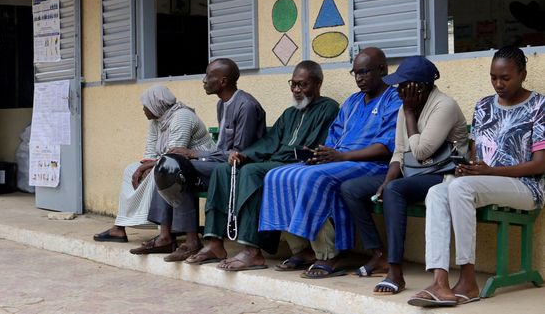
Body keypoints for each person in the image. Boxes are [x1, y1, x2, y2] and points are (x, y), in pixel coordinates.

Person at [409, 47, 545, 307]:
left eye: (505, 78)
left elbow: (540, 164)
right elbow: (476, 153)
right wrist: (468, 167)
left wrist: (487, 172)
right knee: (436, 192)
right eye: (493, 77)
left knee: (461, 189)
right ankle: (440, 281)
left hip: (526, 187)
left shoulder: (539, 106)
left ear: (523, 74)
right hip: (483, 182)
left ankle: (468, 280)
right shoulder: (483, 105)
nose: (498, 84)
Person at [259, 47, 401, 278]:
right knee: (278, 175)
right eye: (355, 73)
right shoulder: (352, 102)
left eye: (365, 72)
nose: (359, 79)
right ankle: (302, 249)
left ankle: (329, 255)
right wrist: (321, 154)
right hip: (340, 161)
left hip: (373, 164)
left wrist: (341, 157)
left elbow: (386, 147)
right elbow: (334, 138)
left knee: (314, 178)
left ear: (383, 69)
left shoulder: (394, 99)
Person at [187, 60, 340, 270]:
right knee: (224, 169)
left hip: (297, 164)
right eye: (293, 84)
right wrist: (244, 155)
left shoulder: (328, 107)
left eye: (302, 85)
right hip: (275, 161)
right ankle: (214, 242)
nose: (296, 90)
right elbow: (270, 141)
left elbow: (312, 147)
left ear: (317, 84)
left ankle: (252, 251)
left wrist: (254, 161)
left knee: (251, 173)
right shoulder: (290, 113)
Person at [340, 56, 468, 294]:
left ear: (419, 86)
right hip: (413, 173)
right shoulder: (404, 105)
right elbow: (399, 152)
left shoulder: (443, 105)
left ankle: (395, 271)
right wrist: (386, 181)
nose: (397, 89)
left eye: (402, 85)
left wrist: (409, 113)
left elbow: (420, 152)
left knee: (395, 190)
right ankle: (378, 254)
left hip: (443, 174)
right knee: (352, 189)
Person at [141, 58, 267, 261]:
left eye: (209, 76)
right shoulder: (221, 104)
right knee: (168, 167)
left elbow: (240, 154)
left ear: (223, 81)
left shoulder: (246, 106)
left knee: (175, 169)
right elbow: (221, 149)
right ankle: (166, 237)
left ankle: (192, 242)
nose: (204, 80)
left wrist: (196, 154)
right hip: (217, 165)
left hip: (237, 169)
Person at [93, 85, 215, 247]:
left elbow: (175, 155)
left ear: (157, 104)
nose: (143, 109)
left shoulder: (182, 116)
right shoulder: (157, 119)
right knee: (130, 170)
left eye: (146, 105)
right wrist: (144, 165)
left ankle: (151, 226)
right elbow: (150, 149)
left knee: (157, 172)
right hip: (169, 163)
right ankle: (120, 226)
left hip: (195, 167)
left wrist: (146, 168)